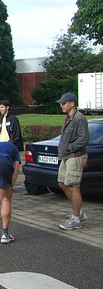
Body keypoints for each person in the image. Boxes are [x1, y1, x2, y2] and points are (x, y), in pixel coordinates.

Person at [56, 92, 89, 231]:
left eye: (63, 103)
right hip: (66, 157)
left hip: (75, 156)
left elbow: (83, 138)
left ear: (72, 104)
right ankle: (78, 211)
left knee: (74, 187)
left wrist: (69, 148)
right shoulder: (68, 118)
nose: (61, 106)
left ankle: (76, 219)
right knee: (62, 183)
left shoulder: (79, 118)